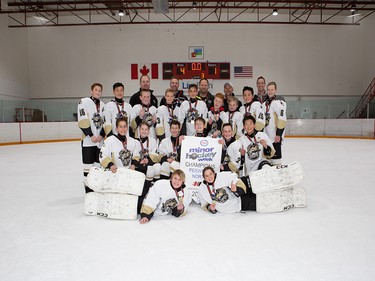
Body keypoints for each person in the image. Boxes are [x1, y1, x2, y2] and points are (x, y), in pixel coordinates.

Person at [78, 82, 106, 194]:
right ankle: (88, 191)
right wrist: (91, 135)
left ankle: (96, 189)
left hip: (99, 142)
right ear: (91, 91)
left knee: (98, 167)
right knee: (88, 167)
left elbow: (106, 122)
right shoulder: (84, 102)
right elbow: (82, 120)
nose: (98, 92)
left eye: (100, 90)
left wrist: (101, 135)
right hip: (88, 141)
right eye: (96, 90)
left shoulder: (103, 105)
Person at [263, 82, 287, 165]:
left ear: (275, 90)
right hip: (267, 138)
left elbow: (282, 119)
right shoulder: (264, 104)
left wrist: (278, 134)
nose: (270, 91)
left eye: (272, 89)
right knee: (268, 162)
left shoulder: (278, 103)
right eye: (268, 89)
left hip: (275, 138)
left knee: (276, 163)